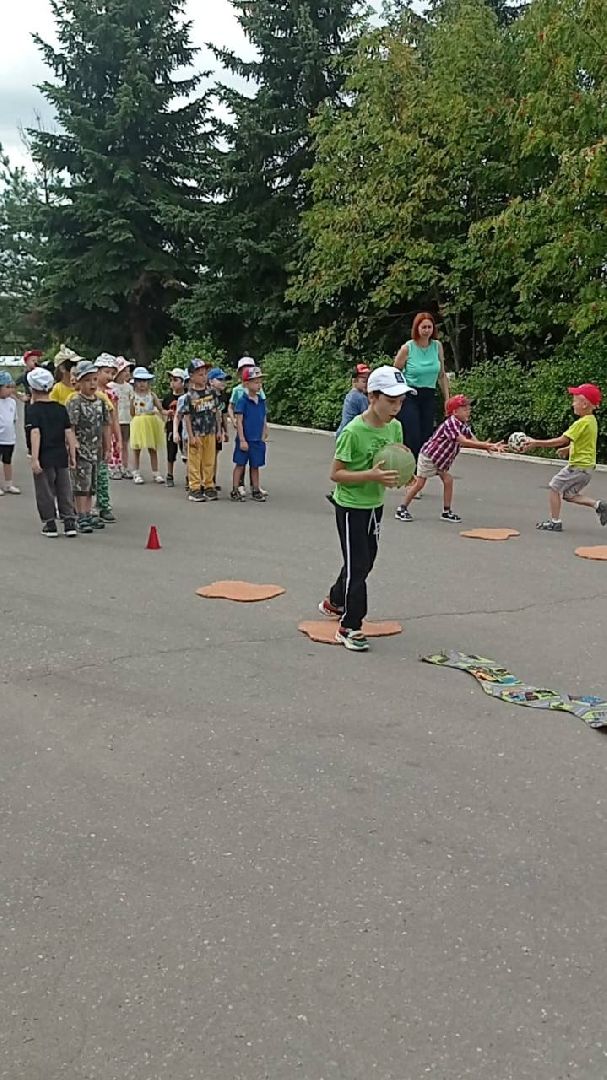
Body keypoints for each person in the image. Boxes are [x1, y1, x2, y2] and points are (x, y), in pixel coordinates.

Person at [319, 366, 414, 651]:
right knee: (358, 565)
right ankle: (350, 626)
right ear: (372, 396)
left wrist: (404, 474)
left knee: (365, 560)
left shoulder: (395, 427)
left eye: (400, 401)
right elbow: (336, 474)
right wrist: (370, 476)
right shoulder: (353, 431)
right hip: (350, 506)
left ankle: (335, 600)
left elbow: (396, 458)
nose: (396, 408)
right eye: (391, 401)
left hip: (375, 504)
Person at [395, 395, 505, 522]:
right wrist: (485, 445)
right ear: (454, 412)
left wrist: (487, 447)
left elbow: (472, 439)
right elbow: (463, 441)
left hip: (441, 460)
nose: (468, 410)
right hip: (429, 457)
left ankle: (446, 512)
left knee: (448, 480)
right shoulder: (451, 423)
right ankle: (402, 508)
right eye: (464, 408)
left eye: (468, 407)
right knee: (419, 484)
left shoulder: (462, 424)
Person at [521, 383, 607, 532]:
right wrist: (568, 449)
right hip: (586, 468)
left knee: (554, 486)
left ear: (585, 404)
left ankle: (555, 522)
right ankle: (599, 505)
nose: (572, 403)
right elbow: (585, 442)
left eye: (575, 400)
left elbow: (561, 439)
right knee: (569, 495)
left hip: (578, 467)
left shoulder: (581, 423)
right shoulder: (592, 421)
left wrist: (536, 442)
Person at [26, 366, 77, 537]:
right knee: (64, 488)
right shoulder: (60, 408)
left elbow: (35, 433)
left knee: (45, 489)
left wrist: (34, 458)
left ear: (32, 389)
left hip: (44, 456)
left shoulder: (33, 410)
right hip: (60, 454)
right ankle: (69, 521)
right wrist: (72, 455)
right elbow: (68, 432)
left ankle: (50, 523)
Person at [394, 312, 450, 460]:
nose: (426, 330)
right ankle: (409, 465)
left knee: (426, 433)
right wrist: (396, 395)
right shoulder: (408, 348)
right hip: (410, 394)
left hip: (429, 394)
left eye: (429, 327)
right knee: (413, 432)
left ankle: (421, 467)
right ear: (417, 328)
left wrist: (447, 399)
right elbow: (395, 372)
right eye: (423, 327)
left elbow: (442, 374)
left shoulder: (437, 346)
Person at [66, 360, 111, 533]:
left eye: (93, 379)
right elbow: (70, 426)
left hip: (96, 449)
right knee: (80, 484)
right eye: (87, 380)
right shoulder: (75, 402)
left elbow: (106, 425)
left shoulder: (100, 402)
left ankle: (88, 512)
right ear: (78, 382)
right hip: (81, 449)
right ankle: (80, 514)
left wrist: (107, 447)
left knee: (92, 484)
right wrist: (73, 446)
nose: (91, 384)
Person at [183, 359, 220, 503]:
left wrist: (219, 430)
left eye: (205, 374)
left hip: (210, 431)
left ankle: (209, 485)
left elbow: (216, 411)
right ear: (191, 376)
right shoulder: (189, 396)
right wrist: (190, 435)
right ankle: (195, 488)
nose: (203, 377)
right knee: (195, 462)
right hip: (196, 434)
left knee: (209, 460)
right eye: (200, 374)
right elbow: (187, 417)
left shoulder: (212, 392)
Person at [231, 366, 268, 502]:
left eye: (260, 382)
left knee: (255, 465)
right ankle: (235, 488)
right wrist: (242, 439)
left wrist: (264, 431)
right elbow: (239, 421)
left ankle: (256, 489)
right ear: (246, 384)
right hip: (245, 438)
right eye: (255, 382)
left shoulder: (262, 401)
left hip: (257, 439)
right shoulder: (242, 401)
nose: (259, 385)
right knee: (240, 464)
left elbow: (263, 417)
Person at [93, 354, 121, 521]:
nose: (109, 376)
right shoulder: (88, 390)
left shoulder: (112, 393)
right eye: (106, 372)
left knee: (103, 472)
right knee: (87, 473)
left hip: (106, 438)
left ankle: (103, 504)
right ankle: (83, 506)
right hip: (88, 437)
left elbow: (114, 418)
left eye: (112, 373)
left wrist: (117, 440)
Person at [129, 367, 166, 484]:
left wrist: (166, 416)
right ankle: (136, 472)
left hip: (151, 421)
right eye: (139, 381)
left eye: (144, 381)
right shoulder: (133, 396)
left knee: (152, 448)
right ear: (135, 383)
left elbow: (160, 409)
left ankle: (156, 472)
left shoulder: (152, 395)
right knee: (136, 449)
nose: (142, 384)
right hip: (139, 421)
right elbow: (132, 411)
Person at [109, 357, 135, 478]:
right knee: (114, 443)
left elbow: (132, 402)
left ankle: (125, 466)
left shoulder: (129, 387)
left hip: (127, 419)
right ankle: (114, 466)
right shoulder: (110, 386)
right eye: (125, 370)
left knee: (125, 443)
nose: (127, 373)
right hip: (115, 419)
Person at [15, 349, 44, 452]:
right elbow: (13, 386)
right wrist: (20, 396)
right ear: (26, 362)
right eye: (33, 360)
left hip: (41, 402)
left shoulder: (41, 373)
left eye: (37, 360)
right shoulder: (24, 376)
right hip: (30, 403)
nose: (35, 362)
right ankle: (30, 448)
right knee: (29, 425)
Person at [162, 368, 186, 487]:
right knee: (171, 451)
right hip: (172, 427)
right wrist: (167, 413)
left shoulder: (187, 397)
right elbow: (162, 410)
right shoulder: (168, 398)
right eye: (171, 380)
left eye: (175, 380)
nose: (172, 383)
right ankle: (169, 474)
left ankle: (190, 475)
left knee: (186, 452)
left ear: (183, 382)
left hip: (185, 427)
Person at [209, 367, 229, 490]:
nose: (223, 382)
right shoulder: (207, 395)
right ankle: (203, 481)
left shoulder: (224, 397)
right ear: (211, 381)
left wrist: (225, 431)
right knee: (206, 455)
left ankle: (212, 480)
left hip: (218, 430)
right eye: (219, 379)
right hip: (207, 429)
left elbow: (224, 414)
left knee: (215, 455)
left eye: (224, 380)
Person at [336, 364, 371, 436]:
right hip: (351, 434)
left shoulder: (350, 394)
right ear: (354, 381)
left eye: (368, 381)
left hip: (343, 432)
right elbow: (367, 417)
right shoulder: (360, 397)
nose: (367, 384)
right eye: (364, 381)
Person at [0, 371, 20, 495]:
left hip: (9, 438)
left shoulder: (12, 402)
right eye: (6, 387)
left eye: (11, 387)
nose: (10, 390)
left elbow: (13, 419)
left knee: (8, 461)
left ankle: (8, 484)